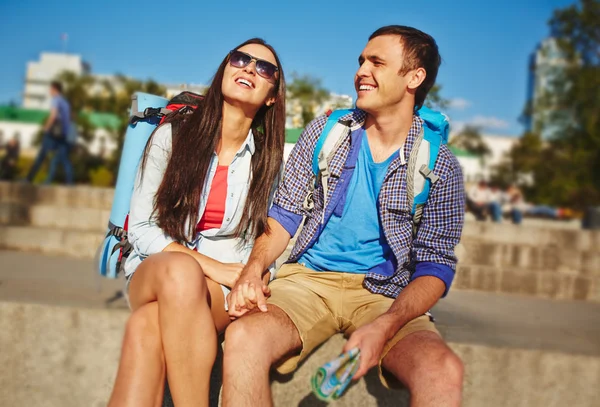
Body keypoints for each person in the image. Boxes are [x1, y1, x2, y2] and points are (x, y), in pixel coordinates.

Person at [223, 25, 465, 407]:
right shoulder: (327, 131)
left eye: (377, 62)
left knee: (443, 370)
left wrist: (384, 327)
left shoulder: (440, 164)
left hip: (385, 293)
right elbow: (283, 215)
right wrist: (252, 270)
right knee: (242, 338)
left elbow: (435, 266)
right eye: (361, 61)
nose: (361, 71)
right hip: (308, 282)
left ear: (414, 78)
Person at [107, 38, 286, 407]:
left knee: (146, 328)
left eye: (264, 68)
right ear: (225, 70)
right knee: (180, 272)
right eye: (240, 59)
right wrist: (214, 268)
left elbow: (274, 235)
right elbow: (141, 228)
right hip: (154, 272)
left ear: (272, 96)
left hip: (221, 290)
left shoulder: (267, 163)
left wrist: (257, 274)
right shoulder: (172, 137)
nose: (249, 68)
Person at [26, 81, 74, 184]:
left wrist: (46, 128)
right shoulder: (65, 102)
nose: (49, 91)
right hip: (64, 134)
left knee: (41, 155)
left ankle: (29, 178)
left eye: (50, 89)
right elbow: (68, 119)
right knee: (64, 159)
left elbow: (53, 115)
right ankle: (70, 183)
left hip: (53, 133)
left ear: (54, 89)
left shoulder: (55, 100)